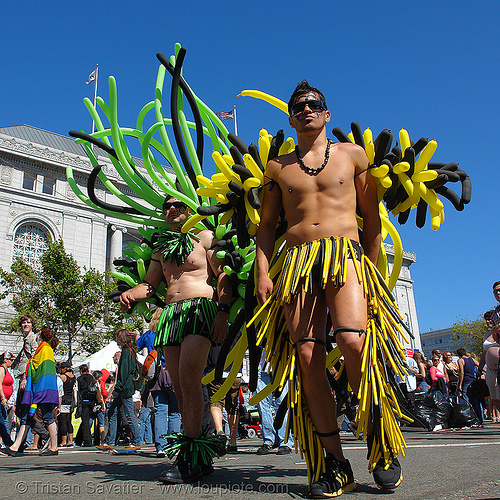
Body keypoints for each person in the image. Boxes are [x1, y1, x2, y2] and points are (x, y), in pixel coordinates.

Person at [255, 81, 404, 496]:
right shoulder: (277, 168)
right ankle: (335, 464)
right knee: (306, 356)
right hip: (298, 262)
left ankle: (381, 442)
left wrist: (374, 277)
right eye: (298, 105)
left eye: (313, 104)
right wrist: (262, 273)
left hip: (346, 256)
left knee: (354, 343)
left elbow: (371, 223)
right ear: (290, 117)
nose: (305, 109)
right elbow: (267, 228)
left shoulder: (353, 156)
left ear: (327, 113)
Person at [119, 194, 231, 483]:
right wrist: (132, 294)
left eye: (176, 205)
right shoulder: (161, 247)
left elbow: (222, 277)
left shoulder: (206, 237)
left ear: (188, 207)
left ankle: (190, 456)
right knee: (180, 386)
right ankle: (199, 453)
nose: (170, 210)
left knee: (188, 376)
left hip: (200, 308)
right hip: (170, 315)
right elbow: (150, 284)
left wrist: (222, 311)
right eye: (166, 206)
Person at [2, 326, 59, 456]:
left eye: (37, 334)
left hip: (42, 389)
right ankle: (14, 447)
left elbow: (45, 370)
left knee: (47, 416)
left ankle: (54, 447)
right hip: (37, 389)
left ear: (40, 336)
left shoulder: (45, 349)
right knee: (26, 417)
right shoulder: (42, 349)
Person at [96, 330, 141, 450]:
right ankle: (110, 441)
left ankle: (136, 441)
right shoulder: (130, 351)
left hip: (124, 389)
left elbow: (123, 373)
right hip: (125, 388)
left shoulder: (126, 352)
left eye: (117, 337)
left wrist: (116, 390)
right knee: (113, 412)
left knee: (129, 414)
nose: (116, 340)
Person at [255, 352, 293, 456]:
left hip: (282, 366)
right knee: (262, 404)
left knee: (283, 404)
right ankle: (268, 440)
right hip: (263, 367)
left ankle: (285, 441)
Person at [457, 347, 482, 423]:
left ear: (458, 355)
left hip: (466, 381)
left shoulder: (460, 360)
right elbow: (480, 365)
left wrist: (460, 384)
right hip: (473, 381)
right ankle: (480, 419)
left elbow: (462, 373)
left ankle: (469, 418)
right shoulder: (471, 359)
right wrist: (480, 373)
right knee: (476, 401)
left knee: (466, 401)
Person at [13, 315, 38, 387]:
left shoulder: (33, 338)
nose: (26, 324)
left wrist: (25, 378)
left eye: (28, 322)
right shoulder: (26, 339)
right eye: (24, 322)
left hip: (28, 377)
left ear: (32, 325)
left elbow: (33, 358)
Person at [77, 364, 98, 447]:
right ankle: (80, 440)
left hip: (84, 401)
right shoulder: (92, 378)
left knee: (85, 421)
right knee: (91, 420)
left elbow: (78, 391)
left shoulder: (80, 379)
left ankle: (87, 441)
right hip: (92, 401)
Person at [58, 361, 76, 447]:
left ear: (63, 369)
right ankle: (71, 440)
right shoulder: (73, 377)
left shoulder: (62, 377)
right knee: (69, 421)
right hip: (70, 400)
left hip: (63, 400)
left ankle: (63, 441)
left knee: (63, 421)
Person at [0, 352, 15, 447]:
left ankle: (8, 443)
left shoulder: (7, 370)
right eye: (11, 360)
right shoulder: (1, 369)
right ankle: (9, 444)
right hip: (2, 399)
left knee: (4, 422)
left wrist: (13, 356)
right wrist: (3, 398)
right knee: (3, 422)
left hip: (6, 400)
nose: (12, 362)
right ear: (5, 360)